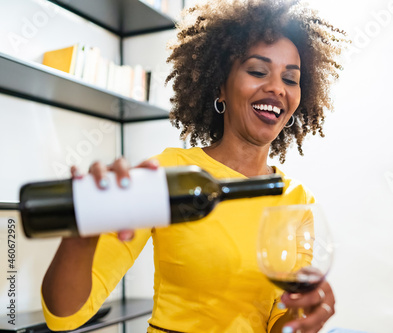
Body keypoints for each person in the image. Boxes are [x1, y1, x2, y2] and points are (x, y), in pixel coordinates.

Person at [41, 0, 349, 332]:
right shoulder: (169, 174)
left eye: (291, 79)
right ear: (220, 85)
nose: (276, 88)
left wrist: (304, 314)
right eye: (258, 71)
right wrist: (80, 236)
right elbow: (65, 316)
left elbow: (279, 322)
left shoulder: (295, 200)